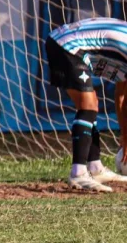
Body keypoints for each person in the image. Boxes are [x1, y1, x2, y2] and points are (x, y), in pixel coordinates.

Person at [46, 17, 127, 192]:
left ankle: (95, 168)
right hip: (67, 47)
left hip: (66, 43)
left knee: (92, 103)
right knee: (88, 106)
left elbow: (121, 96)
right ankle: (78, 174)